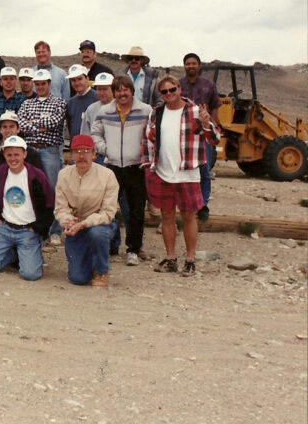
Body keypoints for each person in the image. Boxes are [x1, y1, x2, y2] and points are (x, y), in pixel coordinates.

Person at [143, 74, 220, 277]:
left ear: (179, 89)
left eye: (172, 90)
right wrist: (148, 164)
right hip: (163, 171)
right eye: (164, 91)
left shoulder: (195, 111)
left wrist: (206, 123)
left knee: (188, 216)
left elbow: (215, 138)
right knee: (167, 215)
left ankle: (190, 259)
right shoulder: (156, 113)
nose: (169, 94)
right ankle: (170, 258)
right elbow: (148, 139)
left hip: (187, 172)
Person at [91, 75, 153, 266]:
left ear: (131, 91)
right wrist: (106, 150)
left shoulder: (145, 110)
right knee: (107, 206)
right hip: (113, 166)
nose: (122, 93)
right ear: (114, 92)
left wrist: (146, 155)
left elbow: (153, 135)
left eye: (125, 90)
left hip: (136, 167)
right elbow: (95, 133)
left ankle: (133, 249)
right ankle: (107, 245)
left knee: (136, 210)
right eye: (118, 90)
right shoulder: (105, 111)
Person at [0, 136, 54, 280]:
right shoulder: (0, 173)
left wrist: (37, 228)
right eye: (9, 155)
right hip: (5, 228)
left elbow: (49, 204)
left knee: (30, 274)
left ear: (24, 154)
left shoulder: (36, 176)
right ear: (4, 155)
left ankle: (28, 253)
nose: (13, 159)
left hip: (28, 230)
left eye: (17, 154)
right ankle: (12, 255)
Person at [55, 135, 119, 287]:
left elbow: (108, 212)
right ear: (71, 155)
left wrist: (84, 224)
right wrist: (67, 220)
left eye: (86, 151)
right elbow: (60, 207)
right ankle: (89, 259)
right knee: (78, 279)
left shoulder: (107, 176)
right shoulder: (63, 175)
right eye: (77, 151)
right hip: (76, 226)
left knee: (97, 234)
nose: (81, 156)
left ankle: (102, 270)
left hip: (100, 224)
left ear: (94, 154)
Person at [0, 111, 44, 237]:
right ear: (0, 130)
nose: (8, 130)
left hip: (27, 216)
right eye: (4, 127)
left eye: (12, 126)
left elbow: (40, 189)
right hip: (0, 217)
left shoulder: (31, 154)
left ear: (18, 129)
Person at [179, 52, 221, 222]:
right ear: (184, 66)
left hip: (204, 133)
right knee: (184, 169)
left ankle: (202, 204)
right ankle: (185, 202)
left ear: (199, 65)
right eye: (188, 63)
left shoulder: (209, 85)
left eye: (194, 63)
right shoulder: (178, 85)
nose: (191, 66)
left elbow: (215, 106)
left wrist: (215, 125)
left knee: (204, 170)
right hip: (184, 134)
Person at [16, 69, 67, 195]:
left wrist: (32, 123)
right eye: (37, 84)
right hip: (30, 150)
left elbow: (54, 122)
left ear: (49, 84)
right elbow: (21, 124)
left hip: (49, 150)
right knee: (30, 186)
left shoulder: (59, 103)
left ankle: (53, 214)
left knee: (51, 187)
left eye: (43, 83)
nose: (40, 87)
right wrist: (40, 128)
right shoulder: (27, 103)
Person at [65, 64, 99, 140]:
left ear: (87, 79)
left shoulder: (97, 99)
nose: (77, 83)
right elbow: (70, 126)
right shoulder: (71, 103)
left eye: (80, 79)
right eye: (73, 80)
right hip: (76, 146)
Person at [80, 72, 116, 137]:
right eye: (99, 89)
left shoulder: (121, 108)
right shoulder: (91, 109)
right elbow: (85, 135)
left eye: (105, 89)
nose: (102, 93)